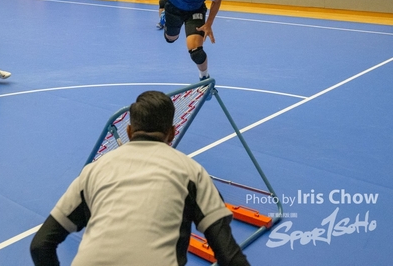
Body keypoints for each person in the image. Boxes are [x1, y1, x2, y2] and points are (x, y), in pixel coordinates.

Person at [30, 90, 250, 266]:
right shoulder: (192, 172)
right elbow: (229, 256)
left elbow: (40, 245)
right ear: (172, 133)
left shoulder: (93, 171)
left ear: (128, 131)